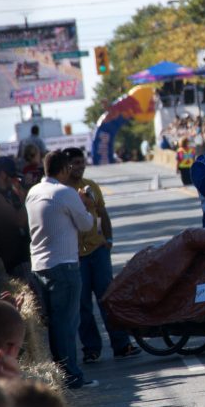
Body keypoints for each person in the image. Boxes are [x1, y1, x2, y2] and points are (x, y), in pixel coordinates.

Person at [25, 150, 98, 389]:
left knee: (57, 323)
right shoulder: (65, 193)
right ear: (64, 169)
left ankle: (61, 373)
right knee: (67, 323)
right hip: (64, 265)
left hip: (40, 265)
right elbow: (86, 224)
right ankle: (72, 375)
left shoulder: (33, 192)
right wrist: (87, 205)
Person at [62, 147, 140, 363]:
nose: (80, 167)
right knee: (83, 304)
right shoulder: (62, 191)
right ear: (66, 166)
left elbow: (103, 214)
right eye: (75, 163)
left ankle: (121, 344)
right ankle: (91, 349)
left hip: (98, 251)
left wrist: (109, 240)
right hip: (76, 256)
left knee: (108, 298)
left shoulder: (91, 186)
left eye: (81, 162)